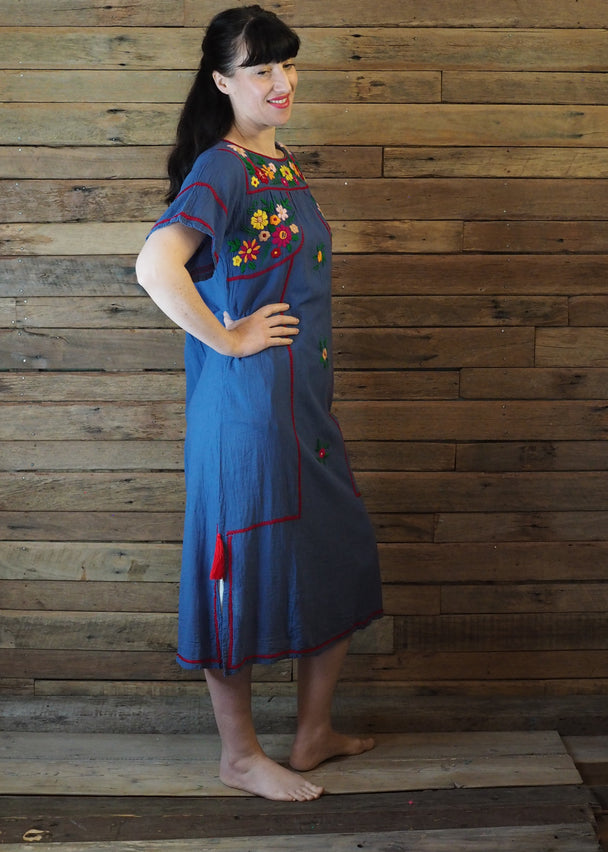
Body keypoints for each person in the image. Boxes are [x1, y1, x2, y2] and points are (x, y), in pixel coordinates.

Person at [136, 5, 384, 802]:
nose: (281, 83)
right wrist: (228, 337)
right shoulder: (223, 166)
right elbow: (155, 265)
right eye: (261, 69)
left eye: (287, 64)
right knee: (235, 572)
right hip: (245, 416)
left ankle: (311, 735)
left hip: (303, 412)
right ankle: (240, 755)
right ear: (222, 81)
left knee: (338, 551)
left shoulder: (279, 163)